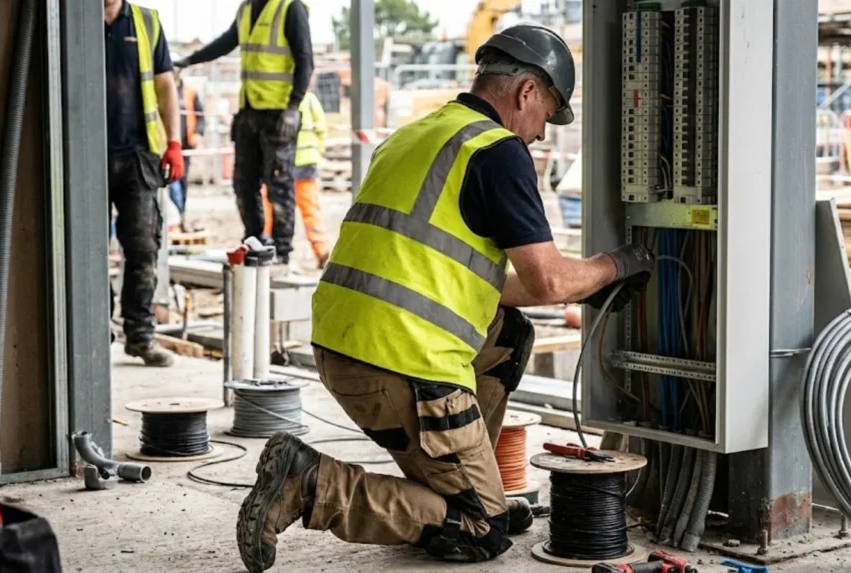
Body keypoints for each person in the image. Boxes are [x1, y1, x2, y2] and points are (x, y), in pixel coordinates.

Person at [234, 24, 655, 572]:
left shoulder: (414, 135)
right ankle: (311, 483)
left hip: (343, 346)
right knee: (482, 533)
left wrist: (592, 285)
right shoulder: (498, 152)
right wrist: (616, 265)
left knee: (509, 334)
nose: (542, 134)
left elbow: (486, 283)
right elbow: (549, 279)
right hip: (403, 362)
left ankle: (461, 485)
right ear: (527, 92)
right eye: (547, 115)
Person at [175, 0, 314, 264]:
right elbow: (227, 41)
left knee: (279, 185)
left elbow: (305, 60)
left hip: (278, 113)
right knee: (244, 183)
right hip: (249, 110)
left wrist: (293, 107)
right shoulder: (248, 8)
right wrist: (190, 60)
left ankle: (282, 253)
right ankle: (254, 242)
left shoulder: (289, 8)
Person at [104, 0, 182, 367]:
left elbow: (166, 85)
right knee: (85, 250)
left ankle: (140, 336)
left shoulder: (146, 22)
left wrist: (174, 144)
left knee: (143, 250)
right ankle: (96, 327)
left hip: (137, 156)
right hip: (85, 157)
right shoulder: (73, 17)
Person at [260, 89, 330, 267]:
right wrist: (317, 155)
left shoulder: (277, 97)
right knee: (310, 209)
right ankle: (321, 250)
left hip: (284, 164)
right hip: (304, 163)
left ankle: (267, 247)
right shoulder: (310, 99)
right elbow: (322, 130)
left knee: (273, 208)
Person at [168, 62, 206, 231]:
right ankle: (173, 219)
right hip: (168, 146)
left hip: (185, 146)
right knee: (172, 183)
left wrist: (198, 134)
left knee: (182, 183)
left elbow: (200, 116)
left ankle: (180, 217)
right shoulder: (164, 90)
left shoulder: (189, 91)